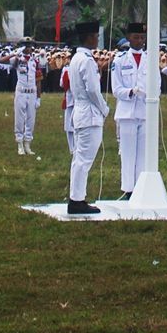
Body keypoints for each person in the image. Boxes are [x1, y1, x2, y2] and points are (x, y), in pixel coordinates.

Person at [67, 19, 109, 216]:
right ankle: (77, 200)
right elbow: (93, 90)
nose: (97, 40)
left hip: (80, 110)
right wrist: (104, 108)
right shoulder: (87, 60)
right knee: (84, 159)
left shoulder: (77, 58)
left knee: (79, 158)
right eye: (95, 36)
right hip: (89, 112)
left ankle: (77, 197)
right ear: (90, 38)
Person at [110, 22, 147, 199]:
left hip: (145, 111)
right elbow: (116, 89)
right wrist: (131, 92)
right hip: (127, 111)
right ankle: (128, 189)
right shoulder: (120, 60)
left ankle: (140, 188)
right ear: (129, 38)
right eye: (136, 37)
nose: (139, 40)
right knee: (128, 153)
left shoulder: (150, 59)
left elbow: (157, 85)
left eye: (142, 37)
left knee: (142, 155)